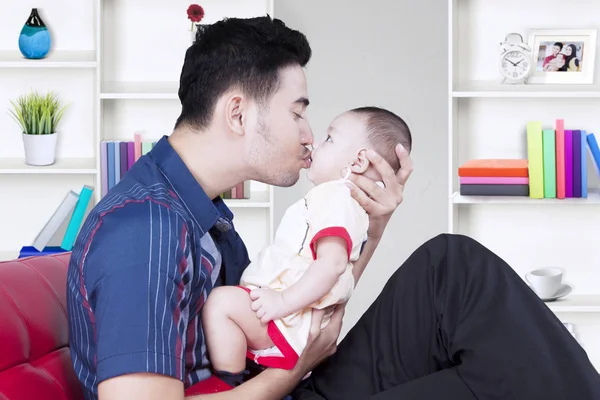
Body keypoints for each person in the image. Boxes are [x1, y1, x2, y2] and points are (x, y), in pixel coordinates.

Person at [65, 15, 600, 400]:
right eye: (298, 112)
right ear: (237, 113)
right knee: (504, 372)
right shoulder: (146, 231)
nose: (306, 135)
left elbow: (313, 306)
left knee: (451, 269)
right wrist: (289, 374)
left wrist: (372, 219)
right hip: (278, 388)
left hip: (285, 383)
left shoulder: (208, 221)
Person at [202, 107, 412, 384]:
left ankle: (229, 382)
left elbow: (334, 263)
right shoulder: (344, 204)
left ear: (359, 161)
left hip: (288, 321)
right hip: (292, 320)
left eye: (329, 139)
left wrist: (282, 301)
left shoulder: (334, 198)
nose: (315, 142)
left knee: (221, 303)